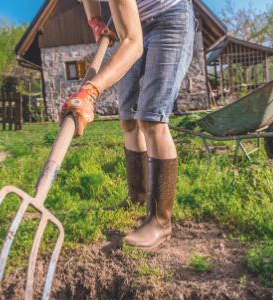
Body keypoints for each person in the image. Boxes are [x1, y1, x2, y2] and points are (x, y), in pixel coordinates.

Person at [60, 0, 196, 249]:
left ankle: (160, 222)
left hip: (170, 19)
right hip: (134, 23)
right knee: (128, 119)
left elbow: (132, 45)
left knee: (151, 118)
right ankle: (137, 198)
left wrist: (91, 91)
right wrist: (96, 22)